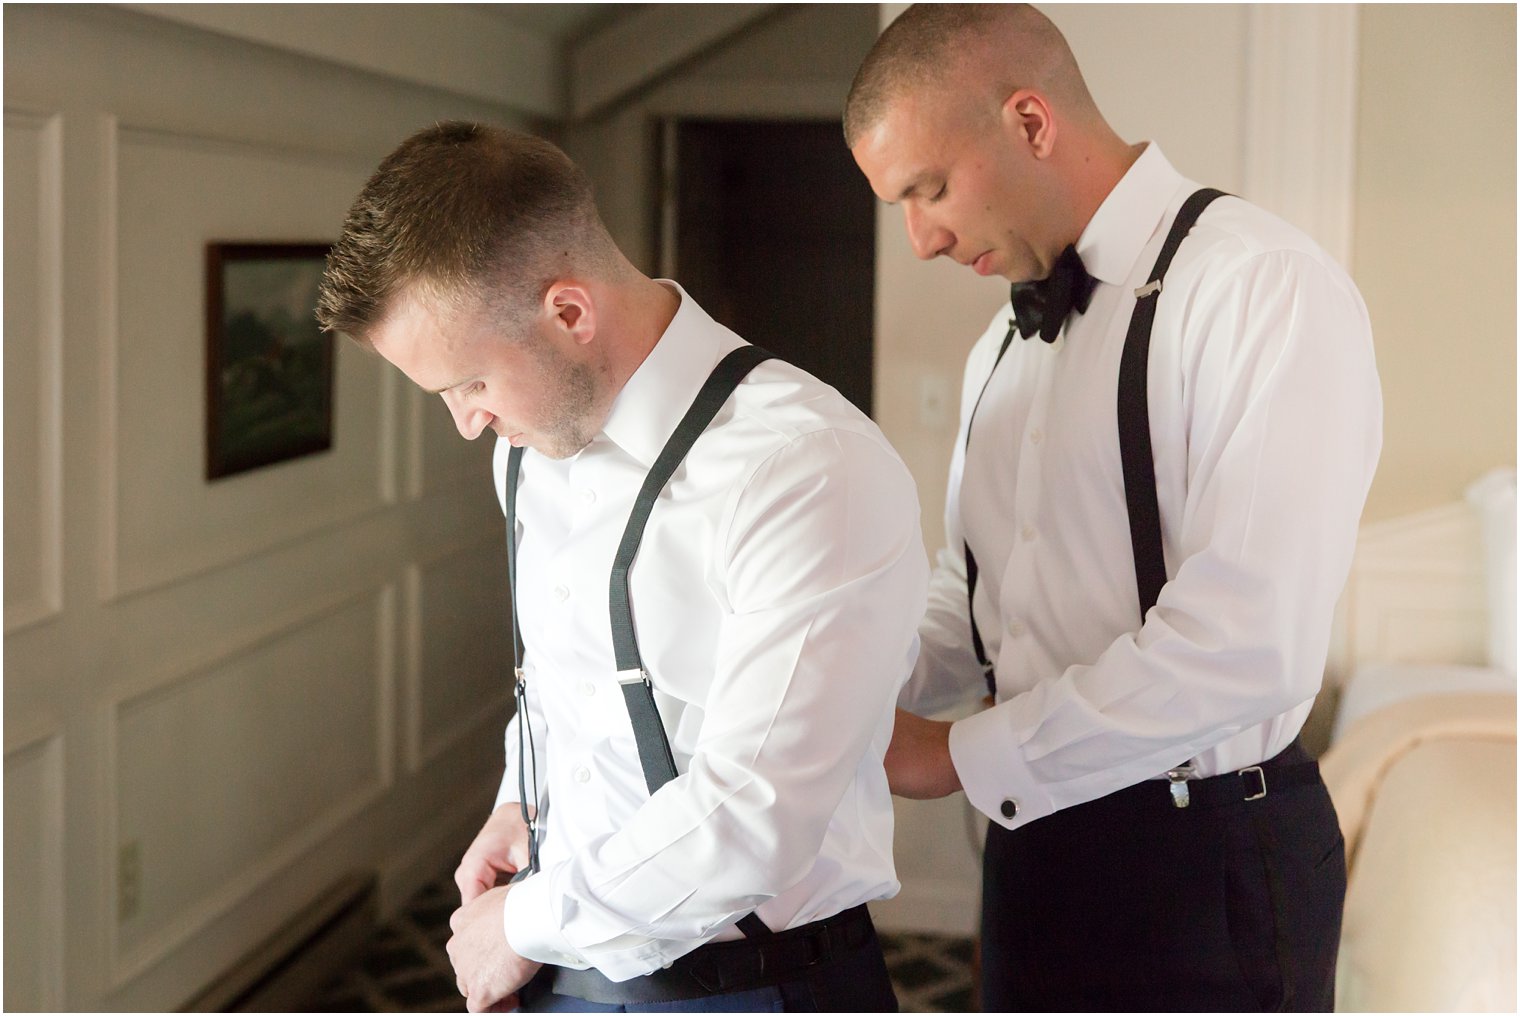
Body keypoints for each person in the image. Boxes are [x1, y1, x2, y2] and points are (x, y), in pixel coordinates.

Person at [316, 122, 927, 1013]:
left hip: (758, 986)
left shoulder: (806, 465)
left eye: (469, 384)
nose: (466, 422)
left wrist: (521, 926)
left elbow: (754, 815)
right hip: (565, 964)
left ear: (569, 313)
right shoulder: (525, 452)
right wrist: (519, 802)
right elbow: (566, 687)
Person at [845, 4, 1381, 1011]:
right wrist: (829, 693)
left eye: (928, 189)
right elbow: (966, 601)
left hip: (1209, 860)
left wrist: (956, 752)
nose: (918, 239)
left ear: (1030, 121)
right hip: (1033, 848)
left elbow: (1243, 640)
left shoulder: (1261, 290)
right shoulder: (994, 352)